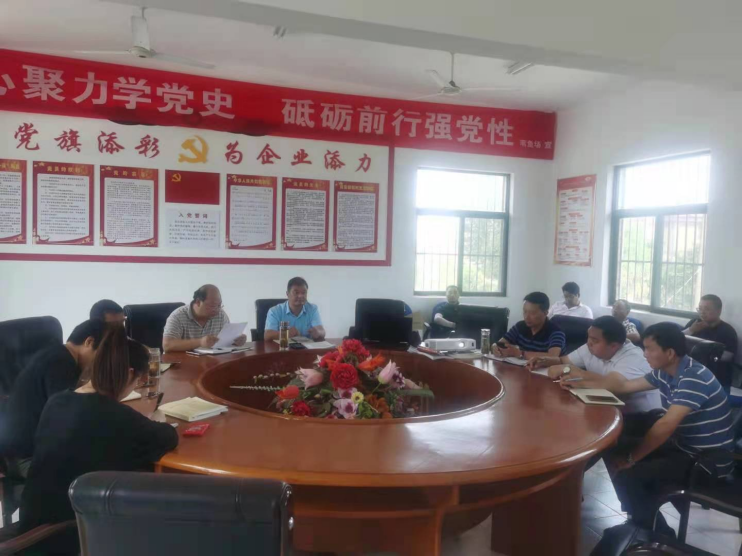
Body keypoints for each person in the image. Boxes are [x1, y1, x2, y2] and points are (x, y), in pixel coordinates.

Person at [18, 326, 179, 554]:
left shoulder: (57, 401)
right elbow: (169, 437)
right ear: (129, 373)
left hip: (31, 524)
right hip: (68, 534)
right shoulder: (118, 416)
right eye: (138, 381)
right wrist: (157, 420)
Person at [562, 322, 734, 536]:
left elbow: (665, 425)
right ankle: (641, 518)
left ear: (669, 353)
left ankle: (655, 534)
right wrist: (578, 383)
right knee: (613, 443)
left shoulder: (693, 377)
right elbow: (624, 386)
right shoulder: (665, 372)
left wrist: (632, 458)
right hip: (683, 446)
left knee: (629, 474)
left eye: (649, 349)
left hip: (707, 462)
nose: (644, 354)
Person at [0, 319, 109, 470]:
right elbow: (70, 419)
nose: (100, 362)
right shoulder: (60, 364)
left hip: (26, 449)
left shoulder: (56, 354)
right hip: (27, 459)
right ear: (89, 342)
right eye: (102, 355)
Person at [528, 316, 661, 415]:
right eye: (588, 337)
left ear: (614, 346)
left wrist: (577, 373)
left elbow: (612, 386)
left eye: (594, 340)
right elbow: (564, 361)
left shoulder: (633, 357)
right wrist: (546, 360)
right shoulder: (590, 347)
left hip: (640, 416)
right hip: (603, 407)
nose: (588, 343)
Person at [162, 285, 246, 352]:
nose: (217, 310)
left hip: (211, 362)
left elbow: (225, 341)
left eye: (219, 305)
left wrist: (235, 341)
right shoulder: (178, 316)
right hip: (183, 364)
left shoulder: (221, 315)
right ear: (198, 302)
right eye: (213, 306)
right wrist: (200, 342)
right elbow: (167, 345)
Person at [492, 292, 566, 360]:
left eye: (532, 313)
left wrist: (520, 353)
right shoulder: (520, 326)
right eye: (525, 312)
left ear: (545, 313)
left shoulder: (556, 332)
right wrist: (495, 346)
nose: (526, 317)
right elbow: (501, 344)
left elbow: (553, 357)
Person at [265, 277, 325, 341]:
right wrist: (286, 333)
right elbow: (267, 335)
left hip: (306, 346)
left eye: (304, 292)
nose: (300, 296)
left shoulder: (312, 309)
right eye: (296, 293)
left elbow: (322, 331)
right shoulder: (275, 311)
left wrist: (318, 332)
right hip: (283, 346)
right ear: (287, 294)